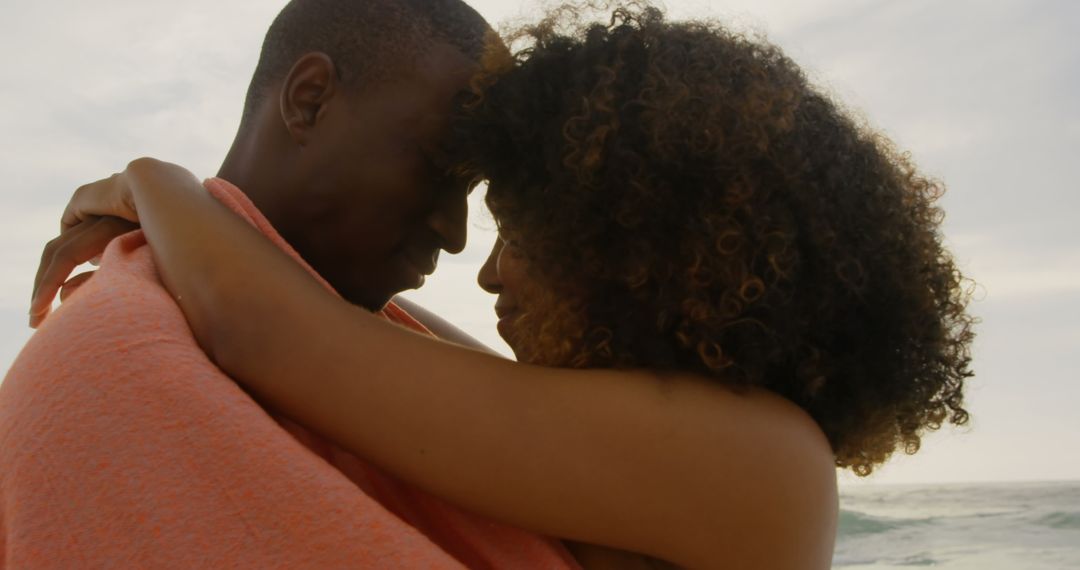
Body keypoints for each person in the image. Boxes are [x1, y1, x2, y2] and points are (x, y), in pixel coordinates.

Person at [30, 4, 976, 569]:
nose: (481, 262)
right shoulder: (670, 437)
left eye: (519, 227)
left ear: (631, 249)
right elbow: (392, 344)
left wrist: (156, 182)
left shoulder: (766, 463)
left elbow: (276, 328)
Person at [3, 0, 582, 568]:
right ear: (310, 100)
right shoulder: (122, 361)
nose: (455, 235)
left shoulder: (328, 332)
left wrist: (161, 187)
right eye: (437, 167)